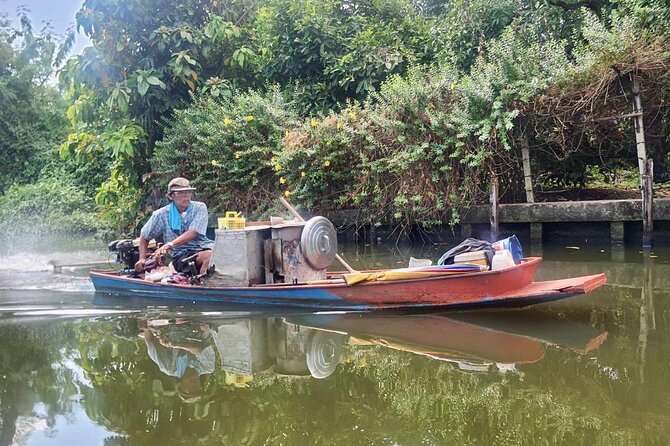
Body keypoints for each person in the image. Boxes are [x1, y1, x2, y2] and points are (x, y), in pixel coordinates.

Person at [135, 177, 214, 275]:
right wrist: (142, 258)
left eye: (188, 192)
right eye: (180, 193)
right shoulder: (161, 214)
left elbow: (193, 233)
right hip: (181, 255)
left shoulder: (200, 208)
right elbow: (145, 235)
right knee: (209, 257)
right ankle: (204, 286)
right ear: (171, 196)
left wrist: (169, 245)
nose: (186, 196)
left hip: (204, 247)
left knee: (224, 254)